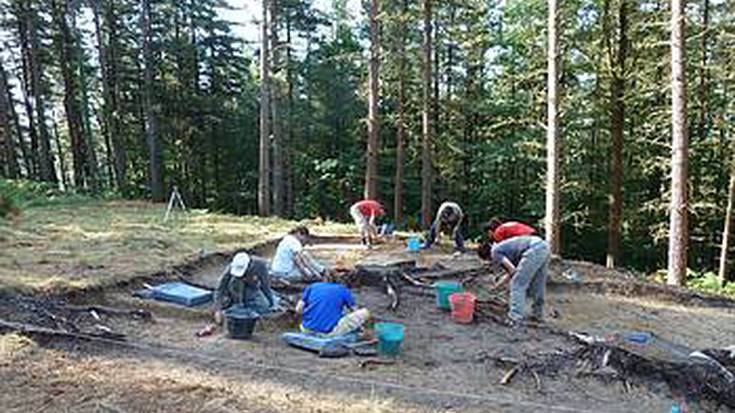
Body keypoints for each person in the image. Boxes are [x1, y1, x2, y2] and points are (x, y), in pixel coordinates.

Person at [489, 235, 550, 325]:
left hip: (533, 249)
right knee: (538, 284)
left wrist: (497, 287)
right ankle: (538, 314)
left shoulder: (494, 253)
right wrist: (497, 286)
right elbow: (512, 272)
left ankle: (515, 316)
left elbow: (512, 271)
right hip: (543, 246)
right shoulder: (504, 249)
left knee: (517, 285)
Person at [213, 251, 277, 323]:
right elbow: (220, 288)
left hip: (251, 288)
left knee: (264, 306)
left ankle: (243, 307)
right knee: (235, 282)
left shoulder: (260, 265)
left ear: (249, 265)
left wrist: (271, 303)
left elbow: (265, 286)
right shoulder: (231, 267)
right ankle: (237, 304)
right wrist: (217, 309)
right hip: (234, 287)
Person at [296, 282, 370, 337]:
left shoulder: (313, 286)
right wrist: (360, 327)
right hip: (328, 333)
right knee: (364, 312)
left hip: (306, 329)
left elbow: (298, 309)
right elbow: (355, 311)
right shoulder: (343, 290)